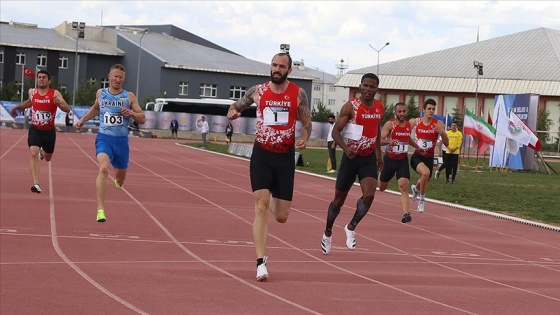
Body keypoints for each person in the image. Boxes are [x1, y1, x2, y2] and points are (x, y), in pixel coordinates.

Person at [227, 52, 312, 281]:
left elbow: (307, 123)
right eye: (274, 65)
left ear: (289, 70)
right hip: (261, 155)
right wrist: (233, 113)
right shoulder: (257, 91)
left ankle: (271, 198)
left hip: (285, 158)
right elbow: (235, 106)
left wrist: (304, 137)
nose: (277, 69)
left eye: (281, 66)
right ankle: (260, 263)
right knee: (261, 206)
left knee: (282, 216)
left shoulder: (298, 94)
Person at [320, 73, 383, 255]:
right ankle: (328, 232)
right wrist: (347, 149)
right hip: (350, 158)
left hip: (367, 158)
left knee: (369, 196)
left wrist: (379, 155)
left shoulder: (379, 107)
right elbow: (335, 133)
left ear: (376, 89)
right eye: (365, 85)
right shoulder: (351, 107)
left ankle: (351, 226)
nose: (368, 89)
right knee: (338, 202)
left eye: (372, 87)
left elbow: (377, 130)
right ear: (360, 87)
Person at [75, 64, 146, 222]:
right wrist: (82, 120)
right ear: (109, 76)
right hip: (104, 139)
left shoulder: (129, 97)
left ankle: (118, 180)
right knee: (103, 169)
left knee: (120, 180)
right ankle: (100, 209)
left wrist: (132, 113)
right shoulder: (101, 93)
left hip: (121, 143)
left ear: (124, 79)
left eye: (121, 77)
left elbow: (142, 118)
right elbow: (95, 108)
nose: (118, 79)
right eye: (115, 76)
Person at [10, 70, 71, 193]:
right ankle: (36, 183)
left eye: (44, 77)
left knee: (48, 158)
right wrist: (17, 107)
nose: (41, 79)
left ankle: (43, 153)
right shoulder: (32, 92)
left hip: (49, 132)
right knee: (33, 153)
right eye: (39, 77)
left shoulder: (55, 93)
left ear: (49, 81)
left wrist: (59, 104)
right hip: (35, 130)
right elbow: (29, 102)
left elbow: (67, 108)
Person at [378, 102, 425, 223]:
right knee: (382, 187)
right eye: (399, 111)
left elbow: (407, 138)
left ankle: (406, 214)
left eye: (404, 111)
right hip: (390, 160)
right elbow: (379, 140)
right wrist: (389, 141)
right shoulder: (390, 124)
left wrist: (417, 147)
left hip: (402, 160)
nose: (402, 114)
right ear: (396, 112)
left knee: (404, 186)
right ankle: (380, 175)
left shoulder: (409, 125)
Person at [408, 99, 449, 213]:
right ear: (424, 110)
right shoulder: (415, 121)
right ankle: (422, 199)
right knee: (425, 173)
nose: (431, 111)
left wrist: (442, 132)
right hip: (417, 156)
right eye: (429, 109)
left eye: (433, 109)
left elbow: (447, 143)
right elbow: (403, 131)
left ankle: (416, 189)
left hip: (429, 158)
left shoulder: (438, 124)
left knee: (426, 178)